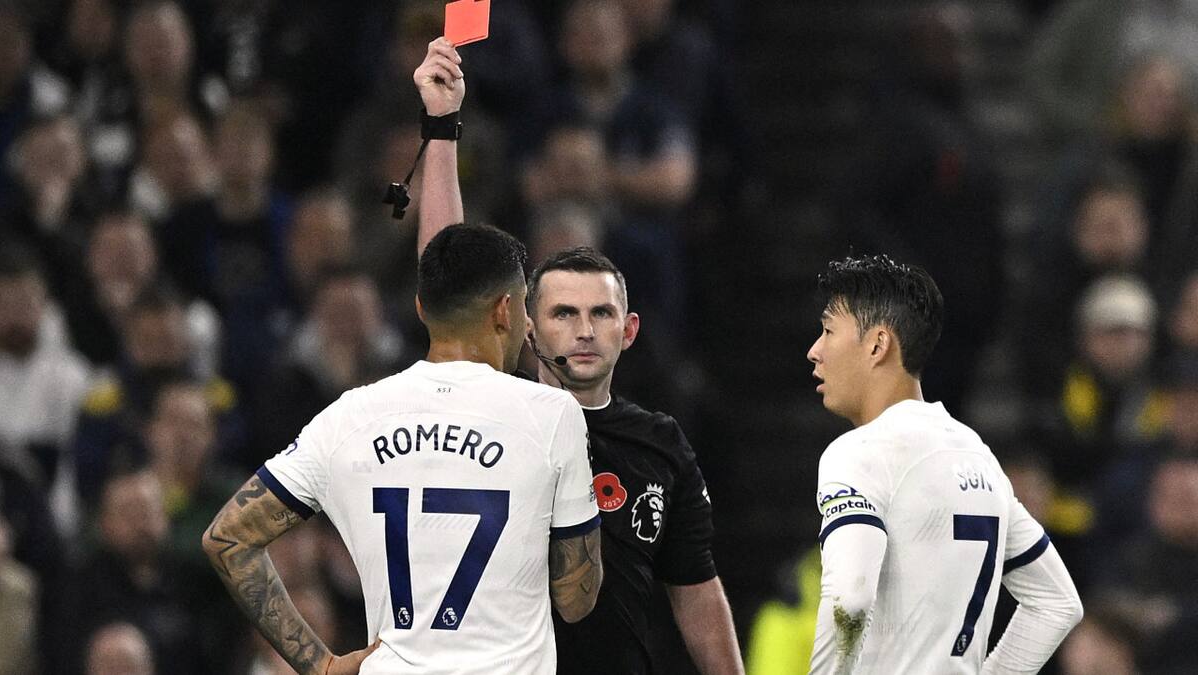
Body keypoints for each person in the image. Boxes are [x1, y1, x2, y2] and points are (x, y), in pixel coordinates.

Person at [413, 38, 741, 674]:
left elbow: (697, 593)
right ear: (528, 327)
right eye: (564, 313)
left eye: (601, 314)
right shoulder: (490, 408)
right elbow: (444, 269)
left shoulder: (661, 444)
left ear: (630, 331)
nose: (584, 330)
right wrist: (443, 128)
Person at [203, 222, 603, 674]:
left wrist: (319, 665)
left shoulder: (348, 416)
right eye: (526, 311)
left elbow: (228, 538)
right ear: (506, 310)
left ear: (420, 309)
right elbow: (576, 599)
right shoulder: (552, 415)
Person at [805, 255, 1084, 673]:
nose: (814, 351)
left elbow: (851, 596)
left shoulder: (859, 452)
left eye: (828, 330)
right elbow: (1057, 603)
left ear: (878, 345)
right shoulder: (979, 456)